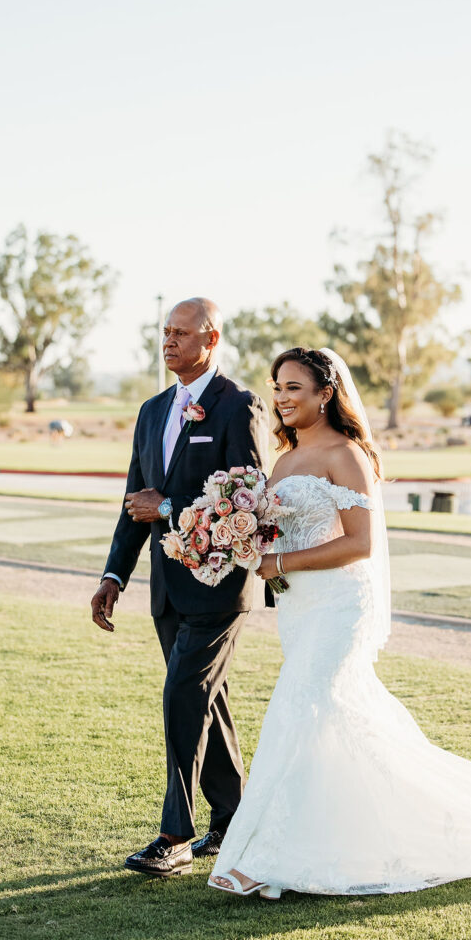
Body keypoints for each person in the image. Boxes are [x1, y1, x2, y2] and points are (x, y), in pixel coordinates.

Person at [208, 346, 471, 900]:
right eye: (277, 387)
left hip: (339, 607)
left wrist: (276, 563)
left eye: (293, 387)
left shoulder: (346, 454)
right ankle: (329, 839)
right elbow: (281, 532)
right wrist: (235, 538)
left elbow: (360, 543)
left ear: (326, 394)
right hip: (300, 608)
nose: (280, 398)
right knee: (331, 722)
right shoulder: (283, 460)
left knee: (303, 708)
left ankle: (268, 857)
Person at [90, 297, 270, 879]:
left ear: (210, 340)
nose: (168, 342)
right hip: (166, 590)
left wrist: (166, 505)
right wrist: (114, 575)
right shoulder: (151, 411)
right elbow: (133, 504)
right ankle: (235, 815)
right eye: (164, 332)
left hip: (220, 589)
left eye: (180, 333)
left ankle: (175, 834)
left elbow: (248, 502)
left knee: (181, 696)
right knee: (204, 701)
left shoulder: (238, 405)